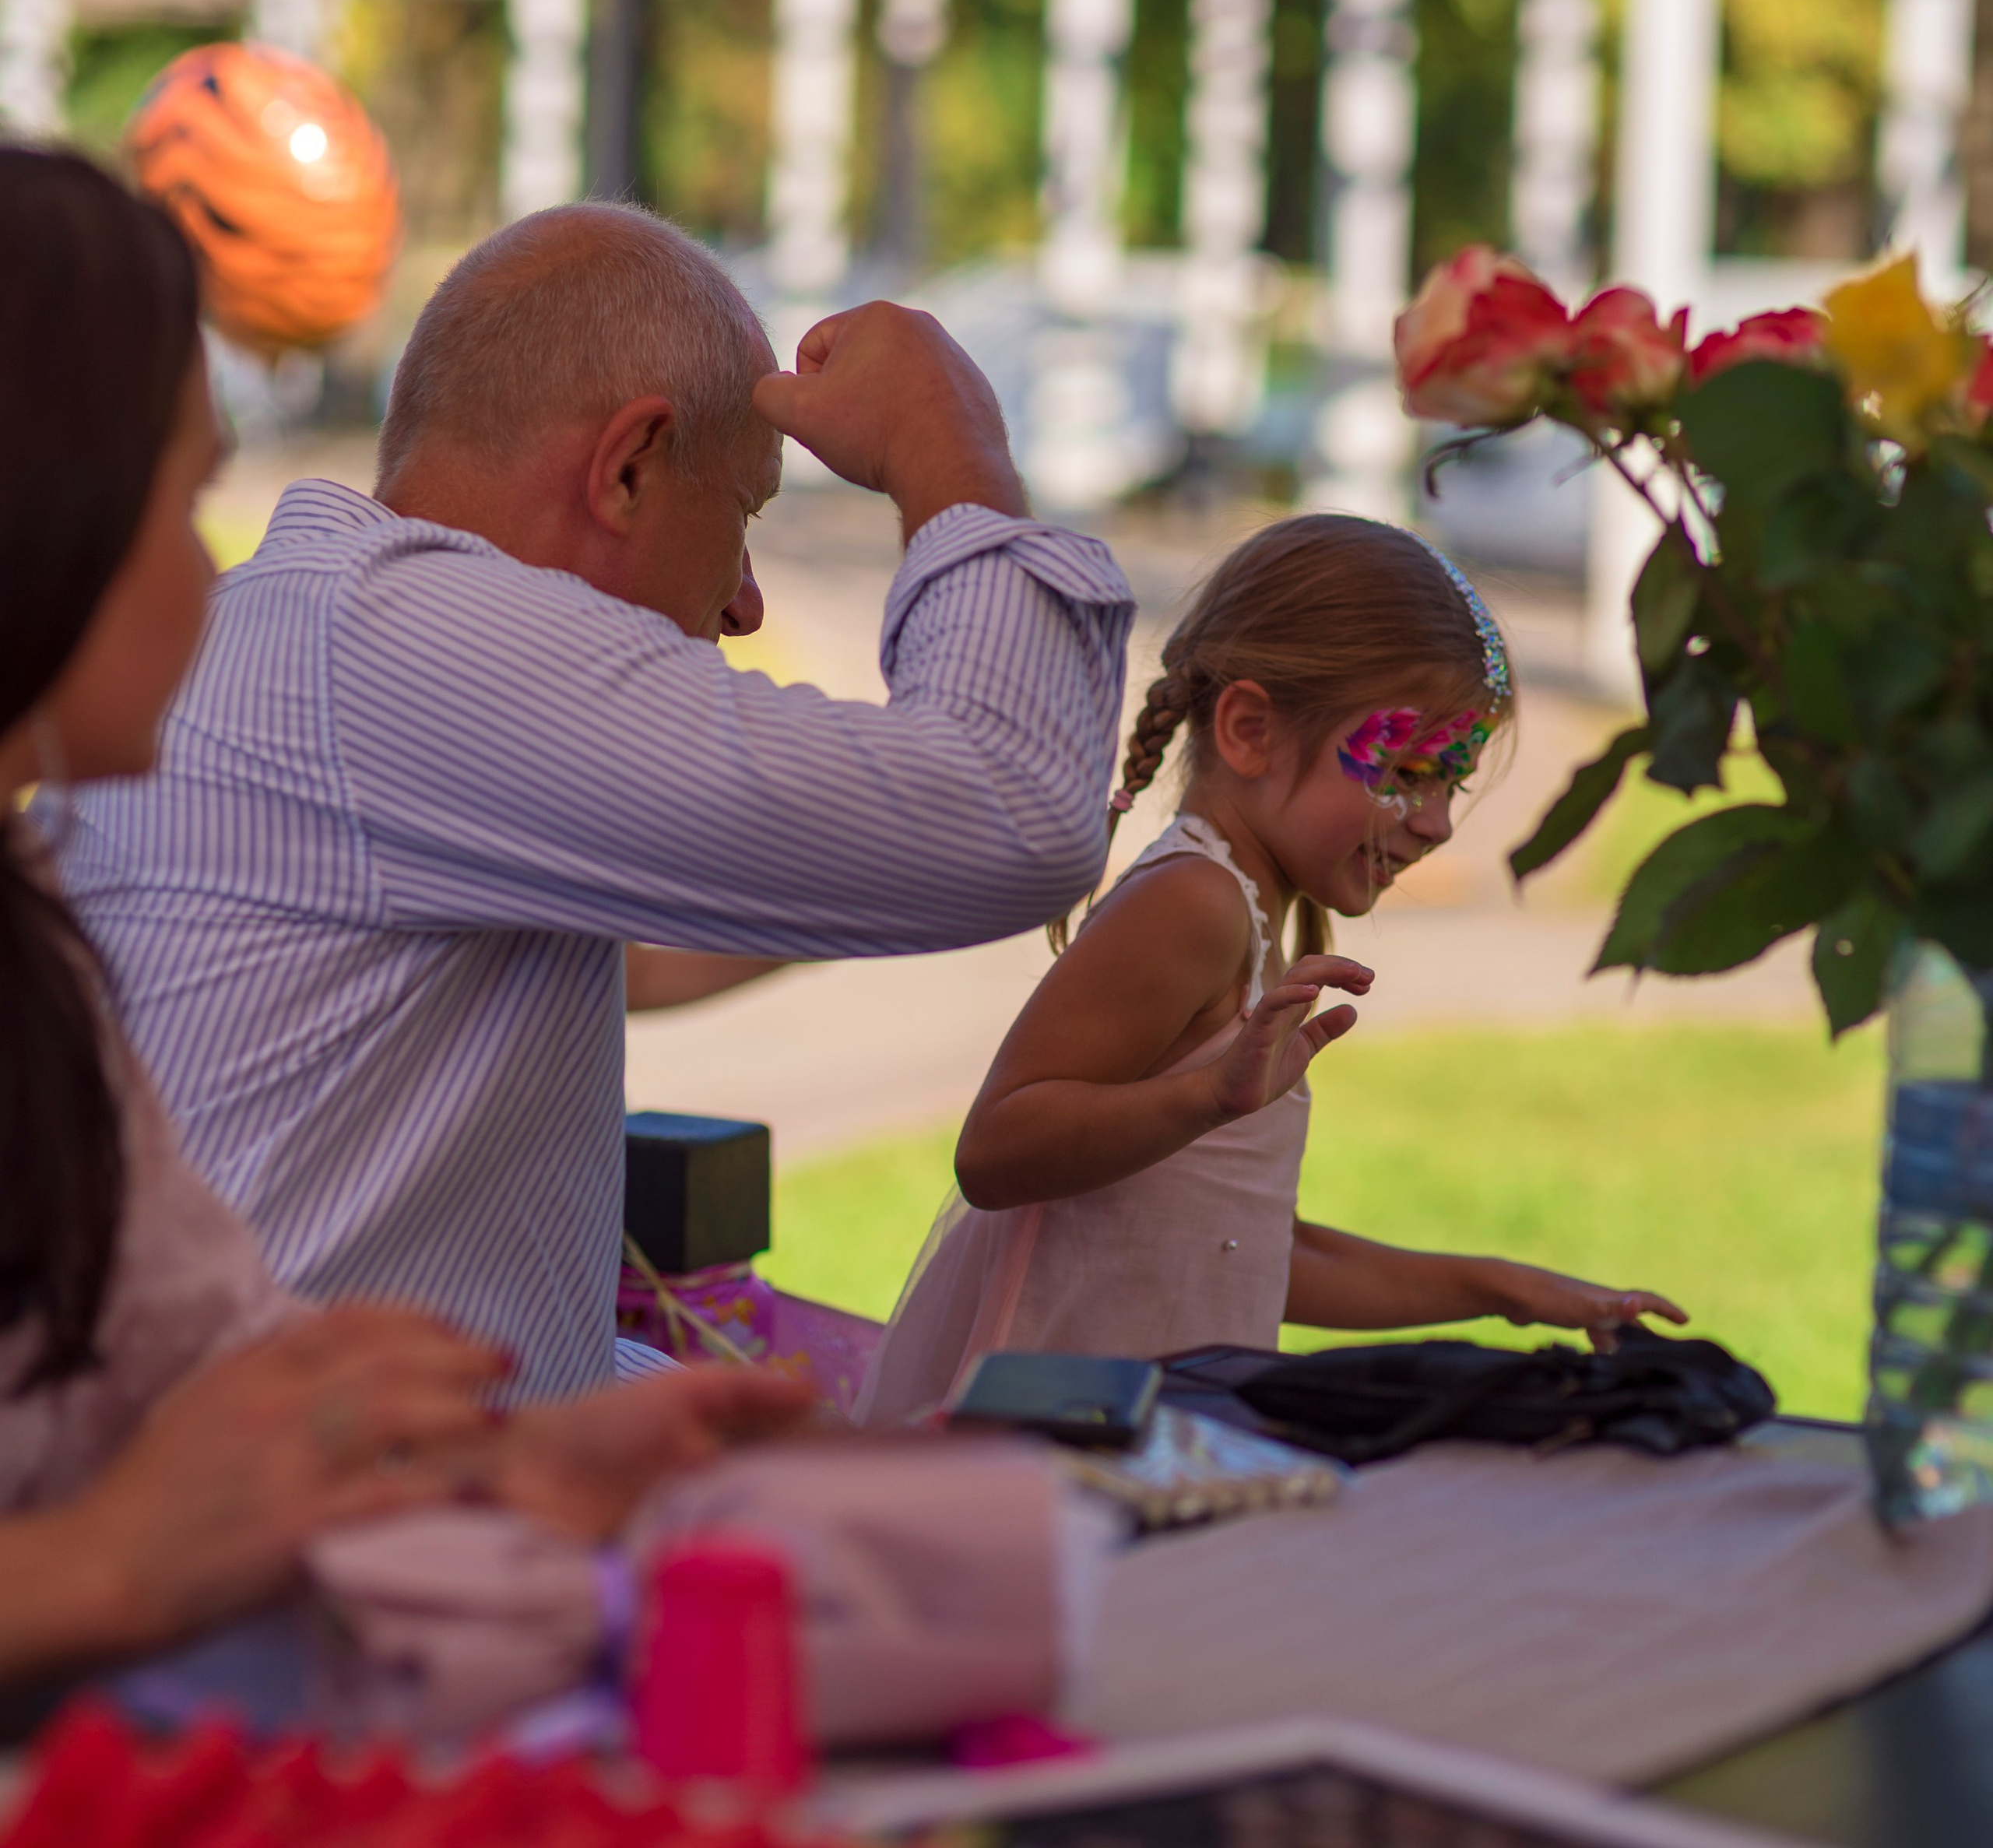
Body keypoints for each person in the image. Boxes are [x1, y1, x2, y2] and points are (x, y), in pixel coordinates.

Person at [62, 200, 1134, 1399]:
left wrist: (639, 1390)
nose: (744, 603)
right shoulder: (415, 638)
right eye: (743, 514)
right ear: (628, 467)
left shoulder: (336, 633)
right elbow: (1013, 807)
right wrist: (956, 458)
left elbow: (620, 968)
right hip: (287, 1553)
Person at [0, 148, 810, 1692]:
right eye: (183, 500)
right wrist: (98, 1565)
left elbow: (222, 1345)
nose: (209, 566)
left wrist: (524, 1464)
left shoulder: (29, 929)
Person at [859, 515, 1686, 1425]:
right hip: (1065, 1439)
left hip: (1138, 1430)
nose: (1438, 821)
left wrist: (1497, 1286)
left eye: (1453, 780)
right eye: (1407, 770)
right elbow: (995, 1151)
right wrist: (1206, 1097)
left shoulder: (1250, 909)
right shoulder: (1195, 905)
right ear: (1250, 729)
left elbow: (1245, 1248)